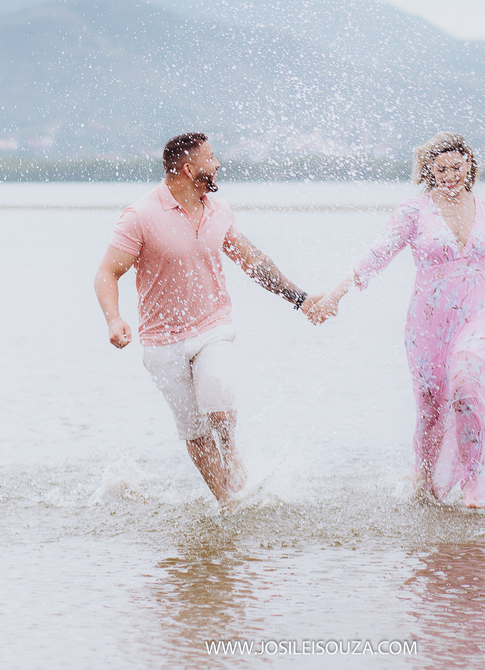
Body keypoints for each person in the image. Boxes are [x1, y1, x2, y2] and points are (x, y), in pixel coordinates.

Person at [308, 133, 485, 508]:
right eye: (441, 168)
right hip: (428, 322)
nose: (450, 175)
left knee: (466, 385)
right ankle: (428, 487)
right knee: (431, 408)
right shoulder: (413, 211)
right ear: (429, 169)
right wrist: (335, 296)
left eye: (457, 166)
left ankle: (474, 483)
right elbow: (377, 255)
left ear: (469, 166)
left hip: (480, 312)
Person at [94, 132, 319, 510]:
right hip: (161, 340)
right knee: (195, 432)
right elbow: (106, 273)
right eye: (211, 158)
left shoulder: (218, 211)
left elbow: (255, 263)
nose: (217, 165)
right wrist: (114, 320)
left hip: (212, 325)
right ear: (188, 169)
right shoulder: (141, 216)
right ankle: (226, 504)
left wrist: (299, 298)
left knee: (217, 397)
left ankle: (232, 452)